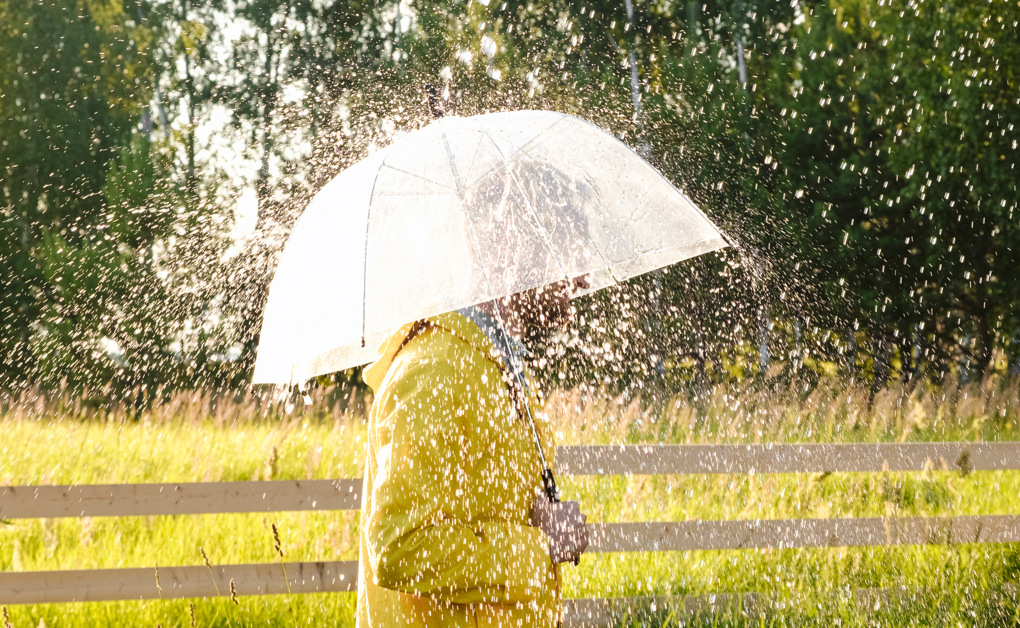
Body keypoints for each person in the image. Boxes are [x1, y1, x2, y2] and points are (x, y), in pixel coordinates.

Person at [356, 276, 592, 628]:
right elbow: (400, 547)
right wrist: (541, 547)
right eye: (569, 253)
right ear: (513, 245)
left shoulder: (498, 364)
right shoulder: (436, 371)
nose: (583, 280)